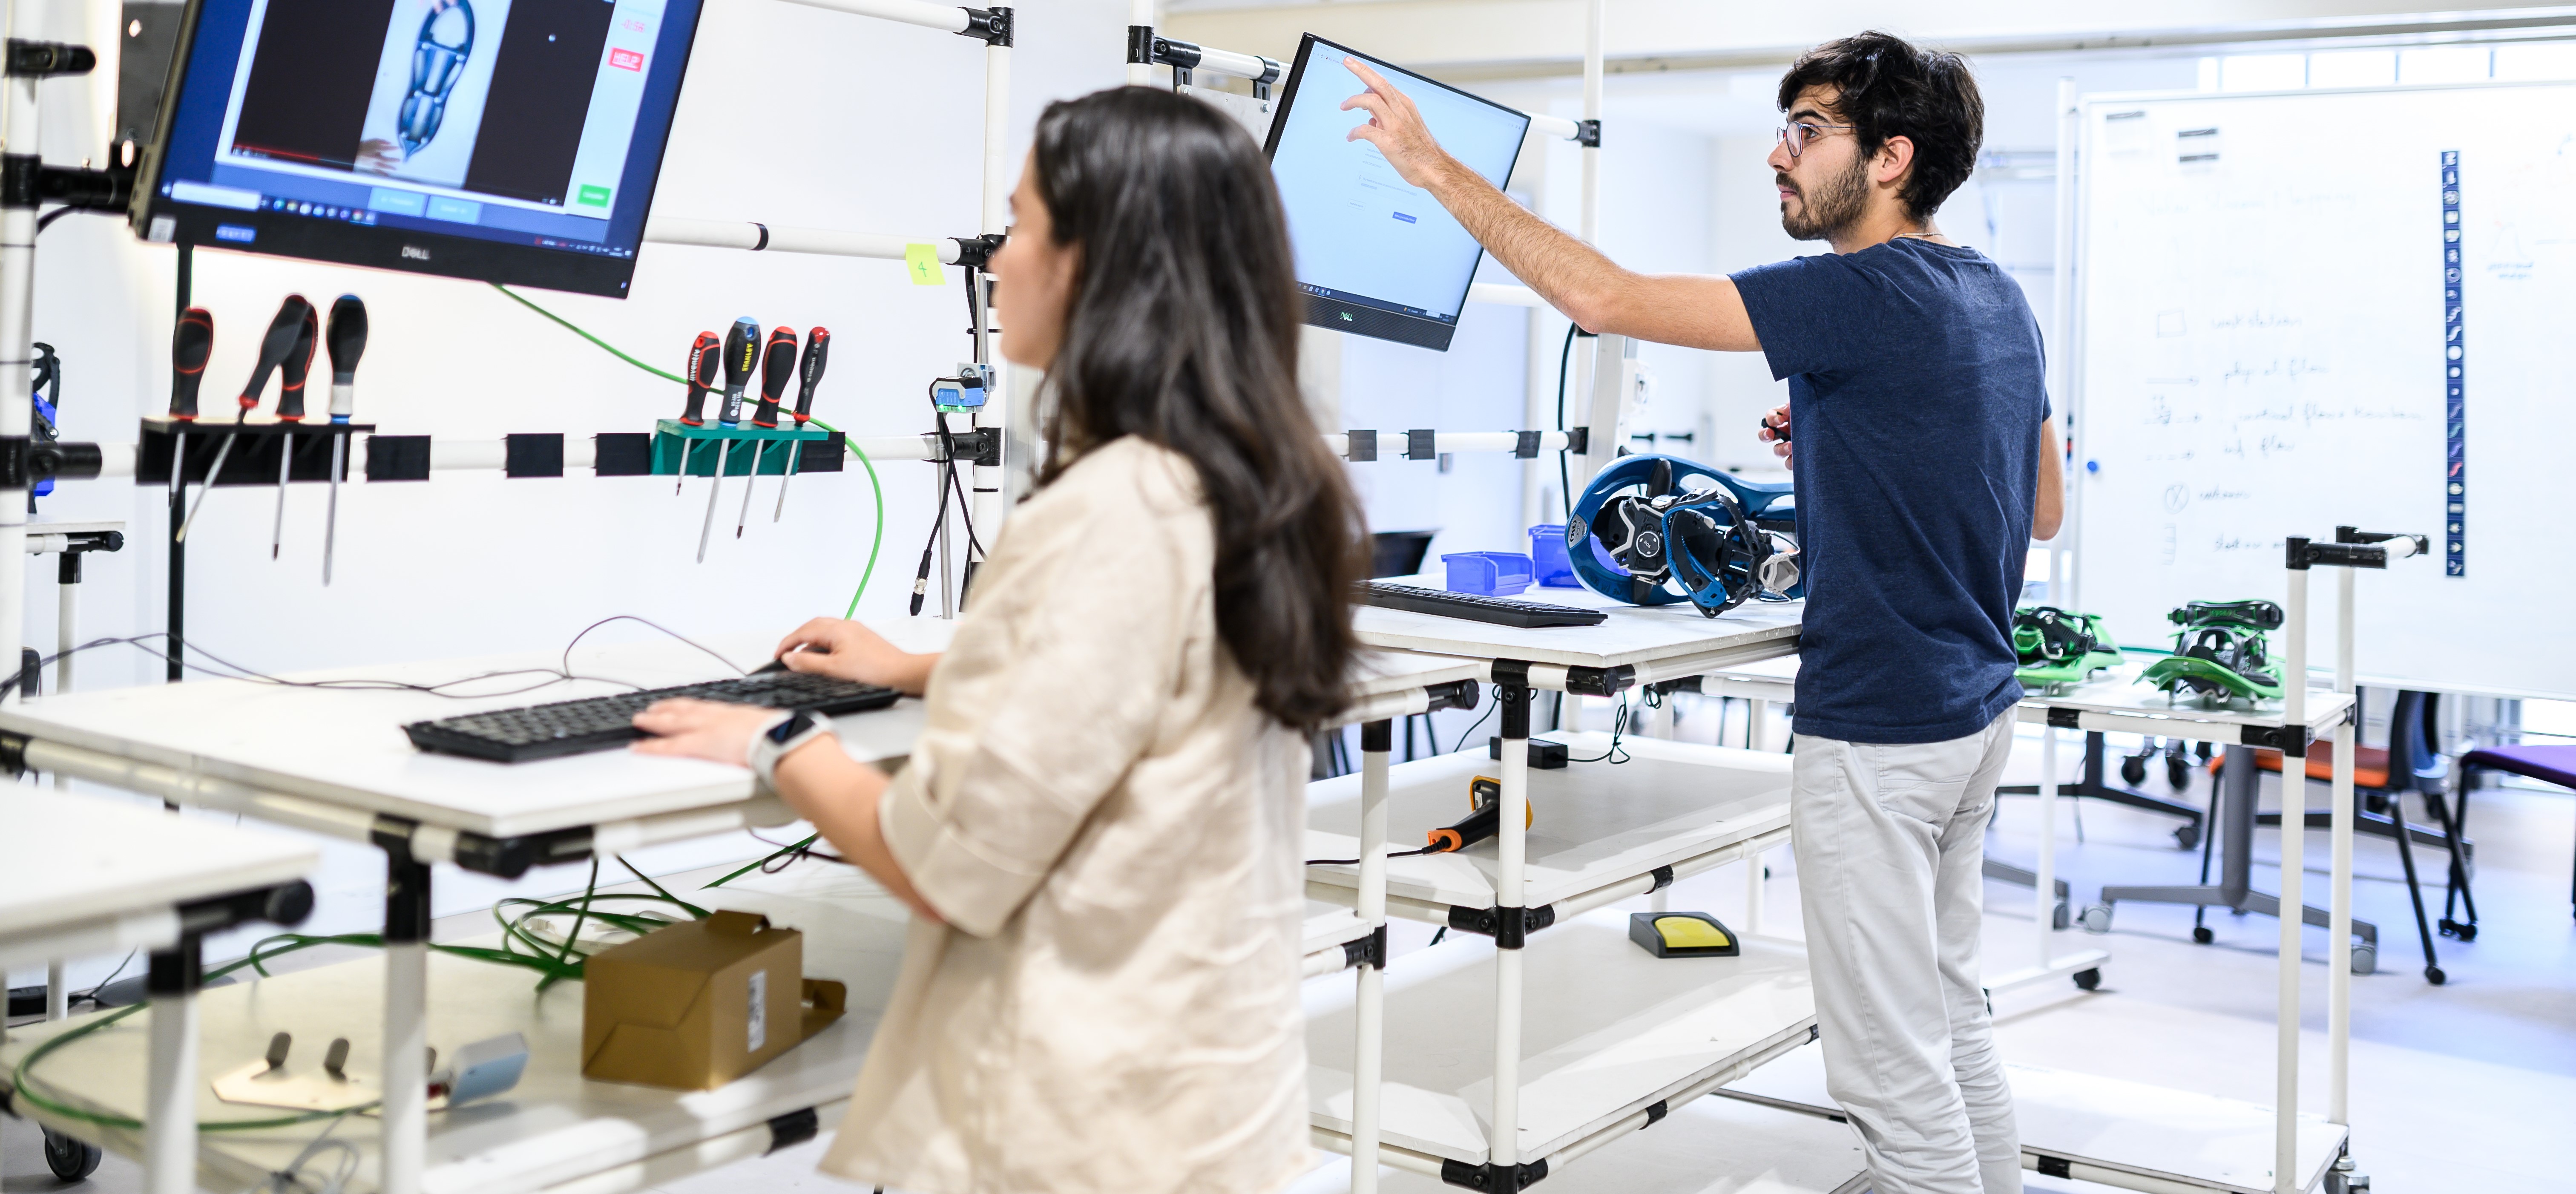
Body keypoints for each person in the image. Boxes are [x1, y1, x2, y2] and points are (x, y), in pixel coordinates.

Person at [1340, 30, 2058, 1194]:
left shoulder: (1860, 291)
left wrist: (1431, 166)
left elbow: (1600, 296)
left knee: (1886, 1073)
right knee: (1945, 1011)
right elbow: (2045, 507)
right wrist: (1858, 428)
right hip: (1973, 721)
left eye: (1808, 132)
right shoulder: (1997, 297)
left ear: (1890, 160)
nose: (1781, 156)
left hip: (1881, 733)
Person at [630, 86, 1367, 1194]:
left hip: (1086, 1134)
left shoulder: (1111, 509)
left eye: (1021, 225)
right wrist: (921, 667)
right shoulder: (1253, 485)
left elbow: (944, 868)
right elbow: (1152, 683)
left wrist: (777, 742)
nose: (998, 259)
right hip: (1211, 1104)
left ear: (1094, 262)